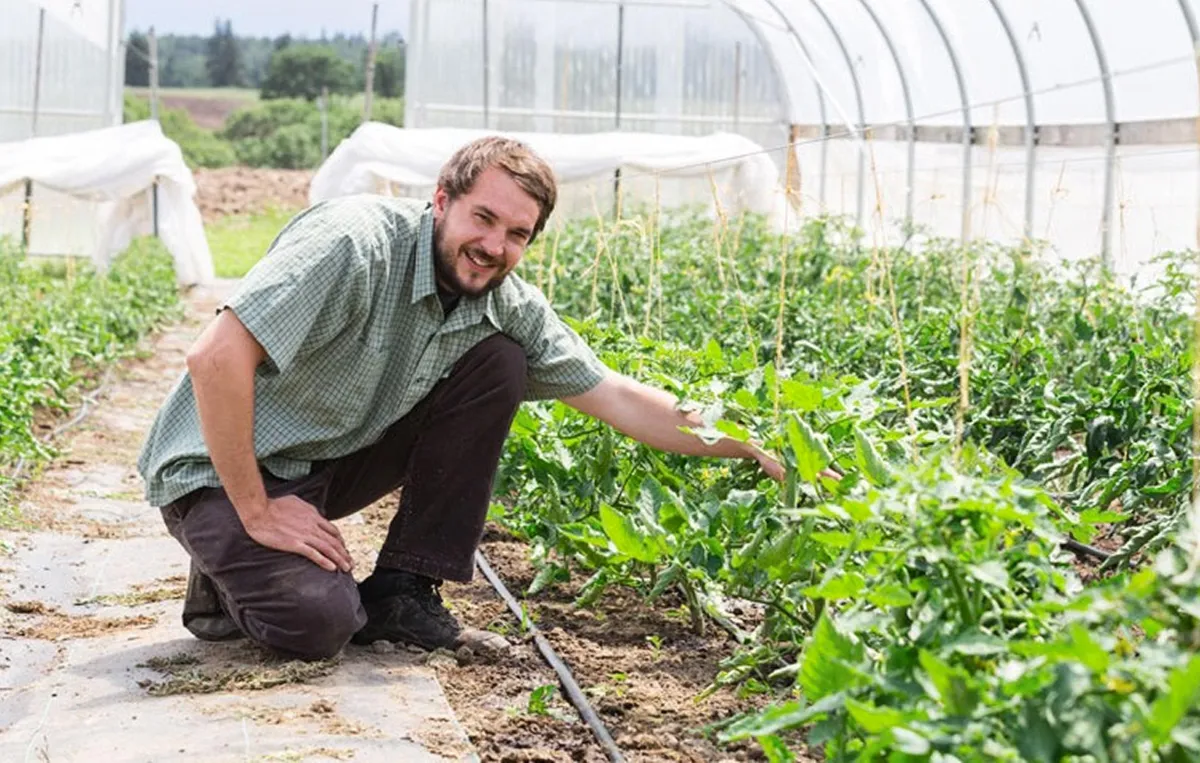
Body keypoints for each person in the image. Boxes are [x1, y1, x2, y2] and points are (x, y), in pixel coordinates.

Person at [137, 136, 784, 662]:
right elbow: (214, 358)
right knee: (319, 623)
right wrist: (256, 510)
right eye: (484, 218)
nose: (494, 247)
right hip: (219, 471)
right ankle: (227, 568)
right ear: (442, 200)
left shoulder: (504, 304)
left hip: (321, 465)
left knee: (501, 360)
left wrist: (755, 443)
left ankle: (401, 591)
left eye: (518, 234)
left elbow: (618, 397)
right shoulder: (353, 243)